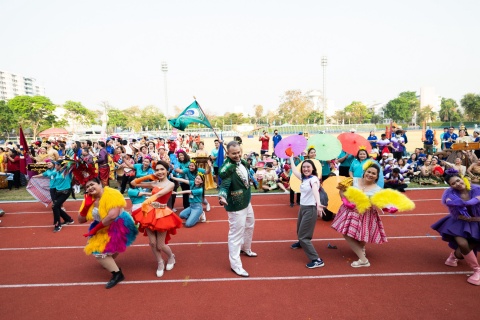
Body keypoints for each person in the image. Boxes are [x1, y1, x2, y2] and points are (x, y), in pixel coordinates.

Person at [77, 177, 138, 289]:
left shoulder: (112, 193)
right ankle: (110, 263)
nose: (90, 188)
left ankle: (117, 274)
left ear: (100, 184)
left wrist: (95, 230)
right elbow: (80, 220)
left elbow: (112, 216)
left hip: (118, 225)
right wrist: (86, 207)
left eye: (92, 184)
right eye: (87, 187)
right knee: (103, 252)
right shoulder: (88, 199)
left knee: (99, 253)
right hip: (101, 226)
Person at [131, 161, 183, 277]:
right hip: (149, 212)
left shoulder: (171, 184)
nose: (159, 172)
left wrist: (147, 201)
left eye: (162, 169)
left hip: (162, 214)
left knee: (160, 245)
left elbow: (159, 195)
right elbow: (133, 182)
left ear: (167, 170)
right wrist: (148, 176)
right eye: (157, 170)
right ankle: (160, 262)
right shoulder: (154, 183)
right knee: (152, 243)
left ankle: (171, 257)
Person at [331, 162, 386, 267]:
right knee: (347, 233)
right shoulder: (353, 181)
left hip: (366, 214)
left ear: (377, 177)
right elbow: (342, 191)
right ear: (364, 172)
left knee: (363, 235)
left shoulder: (378, 190)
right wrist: (346, 201)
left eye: (373, 173)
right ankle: (362, 255)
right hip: (349, 211)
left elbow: (378, 204)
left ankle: (362, 257)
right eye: (368, 172)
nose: (370, 174)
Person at [431, 173, 480, 286]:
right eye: (453, 183)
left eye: (458, 180)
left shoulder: (476, 189)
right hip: (459, 221)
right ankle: (477, 269)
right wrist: (455, 203)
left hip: (477, 222)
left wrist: (464, 203)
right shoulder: (450, 193)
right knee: (463, 244)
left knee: (469, 246)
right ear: (450, 186)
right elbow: (449, 202)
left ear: (462, 178)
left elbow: (477, 199)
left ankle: (453, 256)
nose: (457, 184)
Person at [218, 141, 257, 277]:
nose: (237, 155)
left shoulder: (243, 162)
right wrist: (222, 196)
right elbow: (224, 186)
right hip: (235, 205)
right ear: (227, 154)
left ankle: (246, 248)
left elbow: (247, 174)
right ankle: (236, 265)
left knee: (250, 224)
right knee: (235, 235)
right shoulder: (227, 168)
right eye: (233, 153)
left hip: (247, 200)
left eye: (238, 152)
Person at [289, 155, 326, 269]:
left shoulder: (313, 179)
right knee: (299, 229)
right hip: (303, 208)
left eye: (308, 167)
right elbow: (294, 171)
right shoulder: (304, 178)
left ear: (313, 168)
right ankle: (301, 243)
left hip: (310, 208)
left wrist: (318, 203)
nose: (305, 169)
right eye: (304, 167)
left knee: (303, 236)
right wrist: (291, 158)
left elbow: (315, 190)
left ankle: (316, 259)